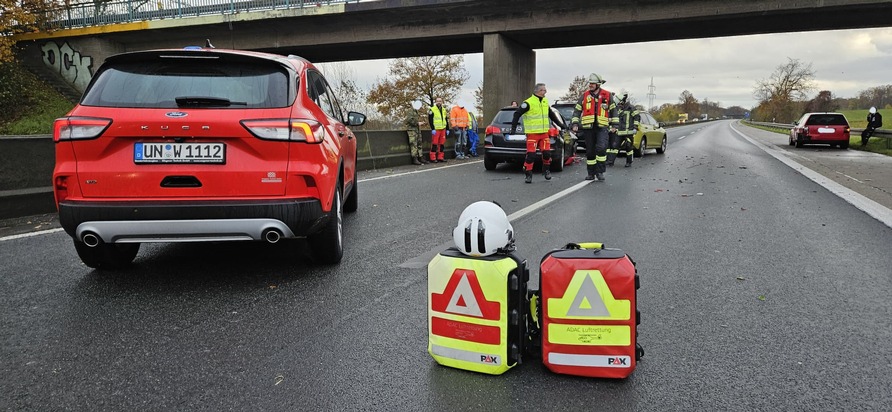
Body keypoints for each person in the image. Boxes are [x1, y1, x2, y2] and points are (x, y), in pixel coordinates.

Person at [509, 83, 566, 184]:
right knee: (531, 155)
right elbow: (517, 113)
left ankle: (546, 170)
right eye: (544, 90)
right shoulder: (528, 103)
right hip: (532, 134)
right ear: (538, 91)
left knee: (547, 153)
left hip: (544, 133)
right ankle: (528, 173)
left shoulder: (545, 101)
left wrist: (561, 125)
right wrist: (513, 128)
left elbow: (551, 115)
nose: (546, 92)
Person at [571, 73, 617, 181]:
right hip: (588, 128)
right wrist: (575, 124)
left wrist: (615, 125)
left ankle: (600, 172)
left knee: (601, 149)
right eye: (590, 83)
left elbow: (614, 111)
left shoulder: (607, 95)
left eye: (593, 83)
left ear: (598, 84)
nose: (590, 85)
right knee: (590, 151)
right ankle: (591, 173)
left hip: (602, 127)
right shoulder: (584, 96)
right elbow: (577, 111)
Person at [614, 92, 639, 167]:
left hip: (629, 132)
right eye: (618, 104)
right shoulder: (618, 109)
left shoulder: (631, 108)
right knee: (614, 147)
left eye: (620, 104)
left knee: (628, 147)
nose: (619, 106)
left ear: (623, 102)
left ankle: (629, 162)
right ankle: (610, 161)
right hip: (619, 132)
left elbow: (637, 117)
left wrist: (635, 127)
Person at [428, 97, 450, 162]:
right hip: (436, 129)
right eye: (437, 101)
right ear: (435, 102)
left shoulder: (444, 110)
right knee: (434, 143)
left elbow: (445, 119)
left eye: (440, 101)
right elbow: (430, 120)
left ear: (442, 102)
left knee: (442, 144)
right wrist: (432, 129)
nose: (439, 102)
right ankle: (433, 158)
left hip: (443, 129)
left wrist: (447, 129)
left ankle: (440, 157)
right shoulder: (432, 109)